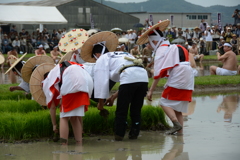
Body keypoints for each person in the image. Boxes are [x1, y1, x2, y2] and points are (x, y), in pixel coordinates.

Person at [81, 31, 148, 141]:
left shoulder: (102, 59)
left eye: (94, 57)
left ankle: (119, 136)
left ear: (97, 55)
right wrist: (113, 97)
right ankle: (134, 134)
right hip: (143, 77)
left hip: (129, 77)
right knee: (136, 109)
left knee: (122, 109)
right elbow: (125, 81)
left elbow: (101, 82)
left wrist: (100, 104)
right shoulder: (122, 54)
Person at [137, 19, 194, 135]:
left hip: (179, 76)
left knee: (164, 102)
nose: (149, 46)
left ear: (154, 41)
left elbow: (157, 75)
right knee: (178, 110)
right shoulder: (174, 46)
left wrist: (151, 91)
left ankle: (175, 124)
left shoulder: (161, 50)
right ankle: (180, 135)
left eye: (149, 42)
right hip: (188, 76)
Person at [42, 61, 93, 145]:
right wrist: (82, 127)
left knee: (64, 117)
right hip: (86, 81)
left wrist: (54, 125)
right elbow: (78, 117)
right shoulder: (58, 72)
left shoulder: (46, 82)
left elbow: (53, 107)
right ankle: (79, 143)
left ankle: (63, 144)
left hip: (73, 83)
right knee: (74, 117)